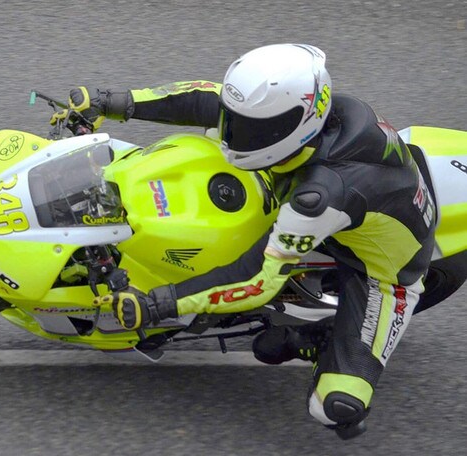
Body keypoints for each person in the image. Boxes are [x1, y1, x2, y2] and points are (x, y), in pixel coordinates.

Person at [61, 44, 437, 439]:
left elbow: (258, 279)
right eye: (235, 119)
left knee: (335, 406)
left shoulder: (319, 197)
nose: (232, 132)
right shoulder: (304, 115)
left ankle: (317, 339)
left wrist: (158, 304)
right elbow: (205, 98)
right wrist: (112, 102)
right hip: (335, 198)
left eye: (248, 128)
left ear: (292, 125)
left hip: (378, 273)